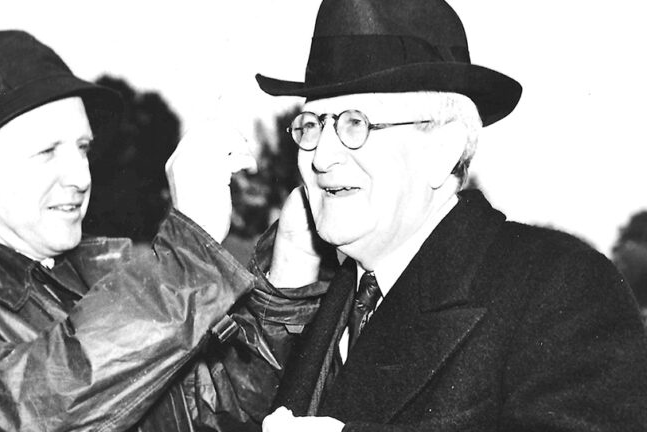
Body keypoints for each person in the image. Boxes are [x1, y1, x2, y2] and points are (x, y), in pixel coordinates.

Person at [247, 0, 647, 430]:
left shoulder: (560, 288)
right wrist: (284, 280)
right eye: (311, 125)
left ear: (442, 149)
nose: (321, 157)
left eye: (354, 123)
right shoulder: (319, 296)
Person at [0, 30, 273, 431]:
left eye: (82, 148)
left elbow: (215, 411)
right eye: (46, 151)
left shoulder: (103, 284)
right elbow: (17, 411)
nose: (81, 177)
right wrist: (187, 261)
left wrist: (287, 278)